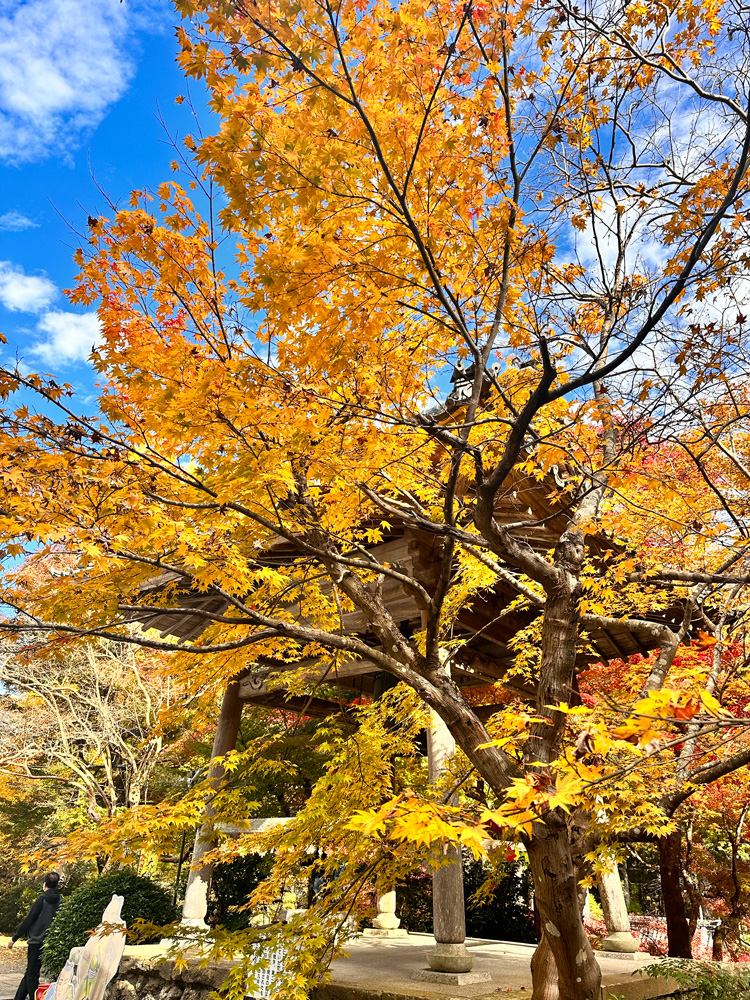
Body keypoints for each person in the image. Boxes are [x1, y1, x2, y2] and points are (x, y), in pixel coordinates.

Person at [7, 872, 61, 1000]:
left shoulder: (41, 900)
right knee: (31, 972)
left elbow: (29, 920)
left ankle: (33, 997)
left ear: (45, 884)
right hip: (49, 942)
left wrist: (14, 938)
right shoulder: (60, 900)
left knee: (32, 975)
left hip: (36, 941)